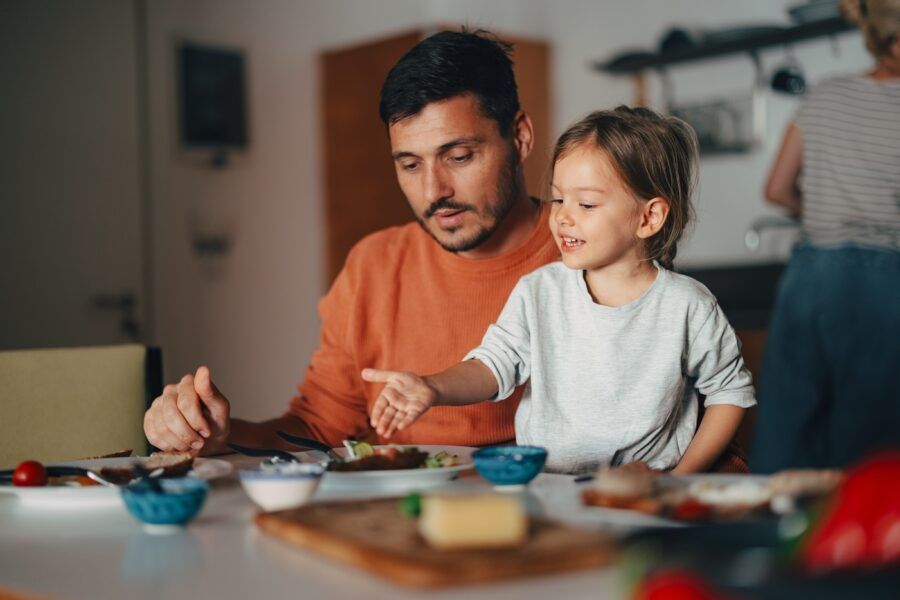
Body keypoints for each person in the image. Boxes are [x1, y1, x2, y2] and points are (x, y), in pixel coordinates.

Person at [143, 30, 559, 455]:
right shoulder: (374, 265)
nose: (434, 191)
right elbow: (315, 428)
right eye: (411, 164)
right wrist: (215, 434)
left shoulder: (590, 251)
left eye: (459, 157)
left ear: (521, 137)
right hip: (403, 512)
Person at [362, 107, 757, 474]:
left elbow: (730, 393)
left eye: (585, 204)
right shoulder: (539, 292)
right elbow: (492, 366)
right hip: (550, 487)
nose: (562, 216)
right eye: (558, 198)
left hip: (646, 492)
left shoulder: (687, 306)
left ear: (649, 217)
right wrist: (432, 387)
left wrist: (680, 479)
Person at [751, 0, 900, 473]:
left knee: (787, 422)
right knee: (869, 436)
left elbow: (776, 189)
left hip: (811, 274)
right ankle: (857, 544)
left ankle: (771, 538)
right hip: (884, 277)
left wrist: (822, 209)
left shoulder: (824, 95)